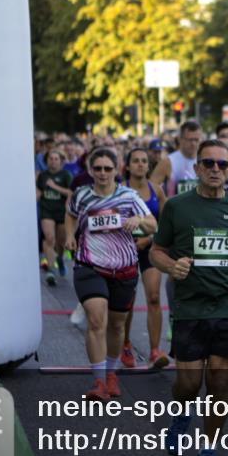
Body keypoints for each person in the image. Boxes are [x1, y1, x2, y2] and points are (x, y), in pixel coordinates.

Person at [150, 139, 228, 456]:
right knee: (188, 385)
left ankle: (209, 445)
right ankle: (182, 413)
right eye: (208, 163)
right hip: (190, 306)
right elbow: (156, 251)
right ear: (197, 168)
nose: (215, 169)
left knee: (219, 380)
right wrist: (170, 267)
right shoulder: (177, 206)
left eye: (221, 164)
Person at [65, 148, 156, 400]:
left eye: (107, 168)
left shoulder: (129, 197)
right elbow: (71, 214)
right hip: (89, 265)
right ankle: (98, 381)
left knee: (116, 326)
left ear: (116, 170)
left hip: (123, 268)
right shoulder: (81, 195)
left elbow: (153, 224)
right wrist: (71, 235)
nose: (103, 173)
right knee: (96, 320)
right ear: (90, 171)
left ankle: (111, 373)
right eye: (98, 169)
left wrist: (139, 221)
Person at [118, 148, 169, 370]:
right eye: (136, 161)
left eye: (144, 161)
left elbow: (166, 223)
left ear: (149, 166)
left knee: (155, 297)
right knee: (127, 302)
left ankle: (155, 351)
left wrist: (150, 239)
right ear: (128, 166)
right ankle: (126, 344)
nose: (140, 164)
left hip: (149, 248)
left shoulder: (156, 190)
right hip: (125, 250)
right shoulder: (120, 191)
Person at [36, 149, 73, 284]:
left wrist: (54, 186)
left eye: (56, 159)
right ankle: (51, 270)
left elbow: (70, 192)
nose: (53, 161)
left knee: (61, 242)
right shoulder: (42, 175)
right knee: (49, 238)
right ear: (46, 161)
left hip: (62, 212)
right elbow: (39, 190)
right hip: (47, 210)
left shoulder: (66, 175)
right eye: (51, 158)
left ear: (61, 161)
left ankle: (60, 259)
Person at [151, 120, 202, 196]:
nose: (193, 143)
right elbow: (151, 189)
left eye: (196, 140)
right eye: (190, 140)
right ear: (180, 139)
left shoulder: (206, 161)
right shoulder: (168, 162)